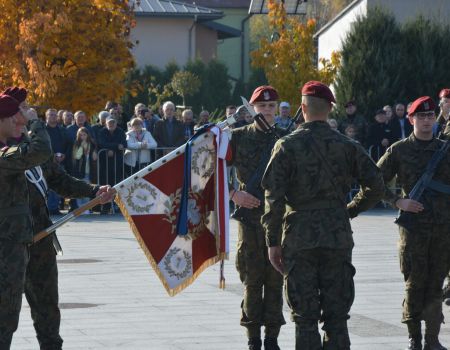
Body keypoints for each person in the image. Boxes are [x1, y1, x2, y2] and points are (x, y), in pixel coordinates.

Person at [261, 81, 384, 350]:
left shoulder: (286, 146)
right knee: (337, 317)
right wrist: (350, 210)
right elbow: (377, 186)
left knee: (305, 318)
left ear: (302, 108)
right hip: (337, 237)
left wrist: (273, 242)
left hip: (299, 238)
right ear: (329, 109)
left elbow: (274, 199)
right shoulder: (347, 145)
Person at [377, 96, 450, 350]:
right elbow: (374, 181)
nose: (427, 121)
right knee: (414, 283)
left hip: (442, 229)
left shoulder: (446, 149)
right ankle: (414, 338)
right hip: (413, 229)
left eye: (431, 116)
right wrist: (398, 202)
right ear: (411, 119)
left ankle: (432, 339)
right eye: (421, 116)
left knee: (435, 284)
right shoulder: (399, 150)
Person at [228, 85, 287, 350]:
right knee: (252, 280)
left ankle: (272, 337)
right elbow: (206, 170)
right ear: (252, 109)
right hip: (249, 218)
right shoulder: (237, 137)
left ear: (277, 109)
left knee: (275, 279)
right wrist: (233, 194)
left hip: (277, 218)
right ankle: (252, 337)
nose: (266, 110)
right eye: (261, 106)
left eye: (271, 106)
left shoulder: (285, 138)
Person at [0, 91, 53, 349]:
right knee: (4, 317)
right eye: (13, 117)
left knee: (9, 317)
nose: (18, 121)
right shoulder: (2, 156)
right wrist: (35, 121)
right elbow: (39, 151)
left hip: (16, 243)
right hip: (6, 246)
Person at [71, 127, 98, 211]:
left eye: (84, 135)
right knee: (79, 189)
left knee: (87, 189)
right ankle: (80, 208)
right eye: (80, 135)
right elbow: (77, 156)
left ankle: (86, 208)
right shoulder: (77, 144)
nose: (82, 137)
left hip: (89, 170)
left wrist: (94, 152)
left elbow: (95, 156)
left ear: (87, 135)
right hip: (79, 170)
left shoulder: (92, 143)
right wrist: (82, 148)